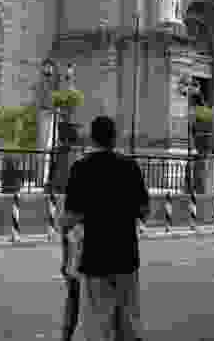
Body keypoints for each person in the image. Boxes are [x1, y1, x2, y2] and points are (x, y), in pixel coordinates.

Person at [61, 116, 150, 341]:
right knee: (128, 324)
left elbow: (70, 218)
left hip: (95, 258)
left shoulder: (81, 168)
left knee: (100, 326)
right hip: (127, 256)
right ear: (115, 137)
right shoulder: (130, 166)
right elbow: (145, 211)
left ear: (92, 137)